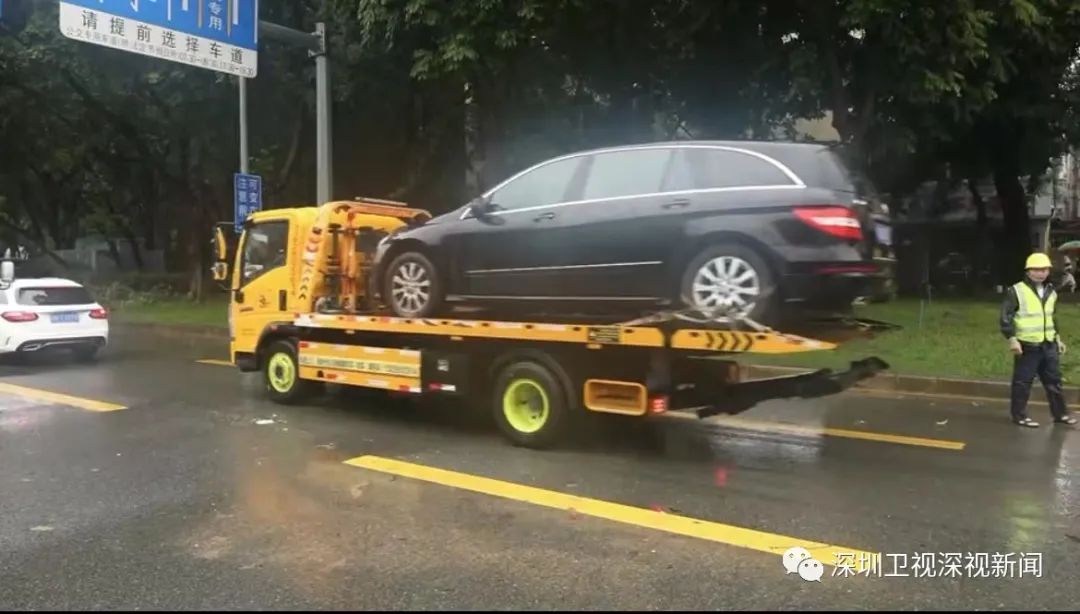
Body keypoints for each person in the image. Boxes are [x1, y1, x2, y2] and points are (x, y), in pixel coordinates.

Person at [1000, 252, 1078, 427]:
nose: (1040, 273)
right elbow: (1006, 317)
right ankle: (1019, 416)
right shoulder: (1016, 291)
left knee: (1054, 381)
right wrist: (1012, 338)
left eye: (1044, 270)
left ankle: (1060, 414)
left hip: (1048, 344)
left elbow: (1051, 317)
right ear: (1028, 271)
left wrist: (1058, 338)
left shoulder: (1051, 291)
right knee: (1023, 382)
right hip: (1027, 345)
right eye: (1036, 270)